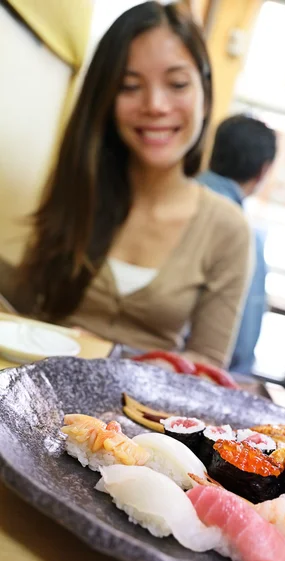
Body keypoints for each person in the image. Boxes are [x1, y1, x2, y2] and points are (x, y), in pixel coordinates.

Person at [9, 2, 252, 368]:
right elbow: (26, 315)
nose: (155, 105)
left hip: (143, 420)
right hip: (38, 400)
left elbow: (205, 368)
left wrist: (111, 356)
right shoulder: (79, 189)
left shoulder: (227, 228)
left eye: (177, 84)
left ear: (204, 94)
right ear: (105, 101)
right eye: (130, 86)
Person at [198, 115, 277, 373]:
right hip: (186, 376)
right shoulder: (243, 233)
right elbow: (242, 343)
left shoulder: (166, 198)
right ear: (263, 170)